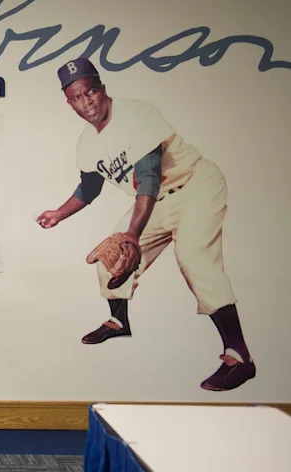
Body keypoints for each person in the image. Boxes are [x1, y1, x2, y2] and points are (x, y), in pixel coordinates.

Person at [36, 57, 255, 391]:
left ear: (102, 89)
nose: (86, 102)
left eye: (90, 92)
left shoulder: (137, 114)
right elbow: (89, 188)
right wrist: (59, 213)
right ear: (69, 103)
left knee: (196, 261)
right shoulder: (87, 142)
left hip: (194, 185)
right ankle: (117, 321)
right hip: (156, 201)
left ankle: (239, 357)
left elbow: (149, 178)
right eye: (76, 97)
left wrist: (133, 235)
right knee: (109, 262)